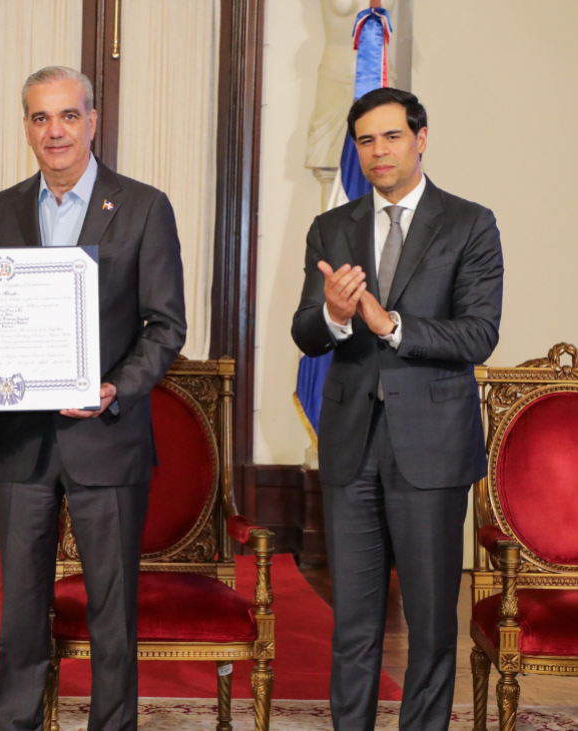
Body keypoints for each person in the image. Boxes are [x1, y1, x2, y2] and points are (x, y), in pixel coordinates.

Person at [0, 65, 186, 731]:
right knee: (21, 608)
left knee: (112, 608)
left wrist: (116, 388)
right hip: (21, 442)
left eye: (69, 115)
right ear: (27, 127)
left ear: (92, 121)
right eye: (41, 117)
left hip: (106, 435)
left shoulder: (143, 206)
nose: (56, 131)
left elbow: (165, 326)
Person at [290, 86, 503, 731]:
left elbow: (479, 334)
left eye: (391, 136)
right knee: (353, 622)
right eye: (365, 140)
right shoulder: (332, 227)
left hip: (432, 447)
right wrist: (334, 314)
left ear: (421, 138)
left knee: (431, 622)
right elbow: (306, 332)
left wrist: (392, 325)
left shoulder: (470, 223)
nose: (378, 151)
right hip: (350, 444)